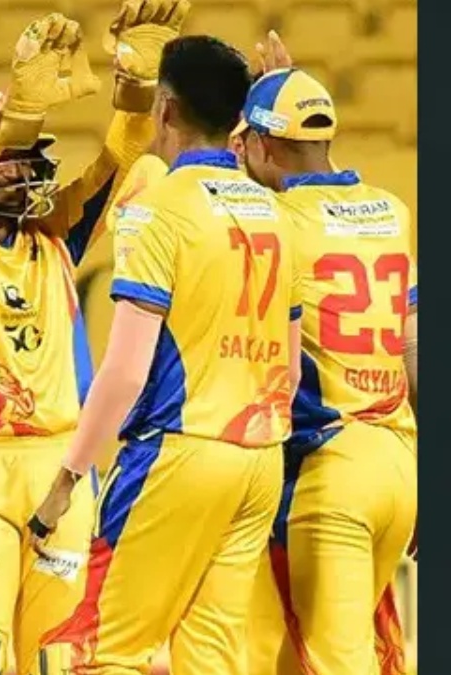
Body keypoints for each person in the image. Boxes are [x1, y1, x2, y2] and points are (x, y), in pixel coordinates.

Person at [0, 1, 189, 672]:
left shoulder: (56, 235)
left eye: (29, 160)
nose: (27, 173)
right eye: (10, 161)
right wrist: (7, 122)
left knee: (62, 655)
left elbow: (120, 157)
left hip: (61, 465)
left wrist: (138, 86)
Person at [27, 36, 296, 674]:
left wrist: (66, 480)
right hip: (261, 458)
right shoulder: (275, 211)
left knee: (104, 651)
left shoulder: (158, 210)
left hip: (179, 452)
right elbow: (287, 358)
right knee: (212, 659)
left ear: (165, 109)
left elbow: (124, 372)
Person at [233, 54, 418, 675]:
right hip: (397, 465)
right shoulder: (391, 211)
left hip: (329, 471)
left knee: (330, 662)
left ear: (260, 144)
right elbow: (415, 346)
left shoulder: (274, 221)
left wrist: (247, 116)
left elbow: (204, 185)